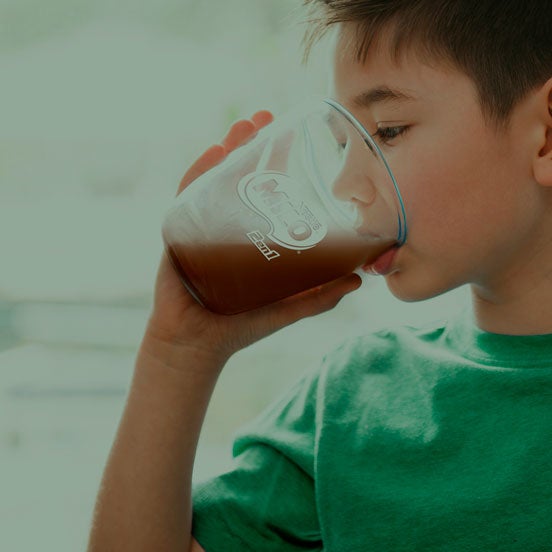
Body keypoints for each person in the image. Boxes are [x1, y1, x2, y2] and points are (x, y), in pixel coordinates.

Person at [87, 0, 552, 550]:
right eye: (341, 144)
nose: (343, 185)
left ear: (545, 135)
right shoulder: (353, 402)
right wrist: (178, 353)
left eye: (389, 130)